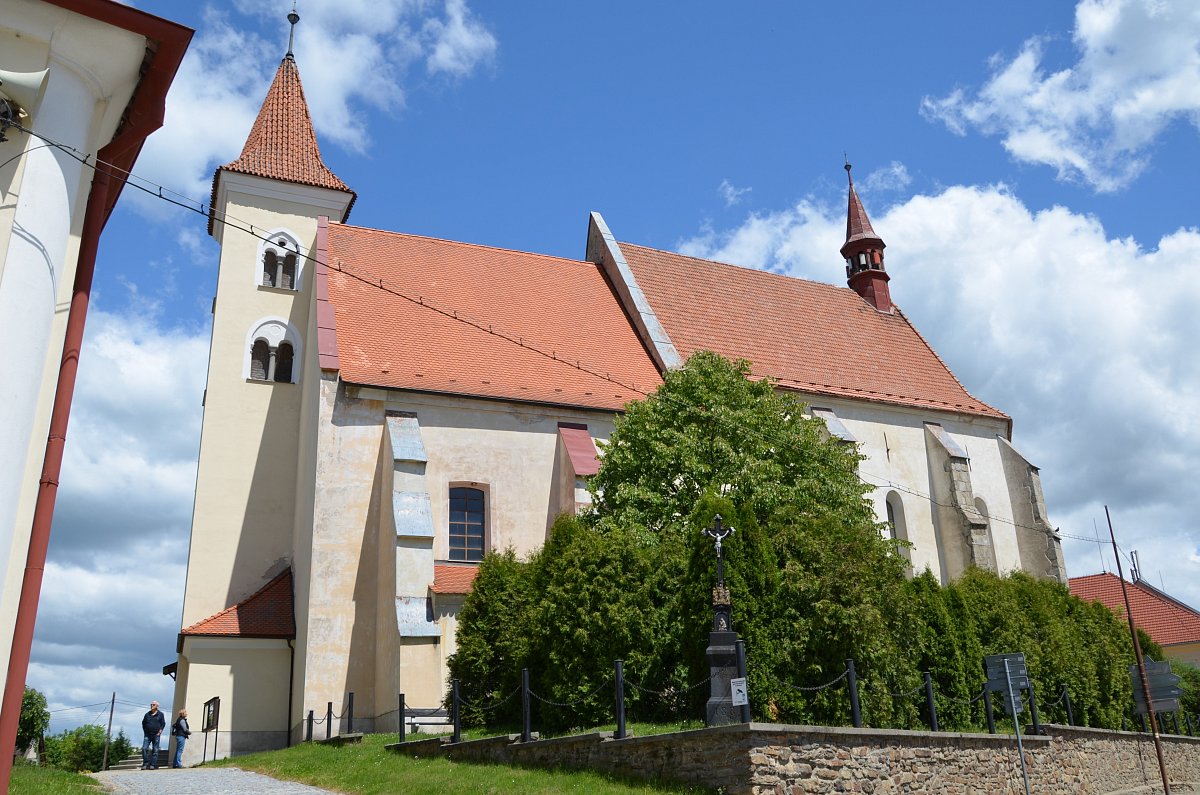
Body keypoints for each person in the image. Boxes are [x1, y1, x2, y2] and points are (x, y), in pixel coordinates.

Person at [141, 700, 165, 769]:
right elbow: (143, 723)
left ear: (157, 706)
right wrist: (145, 731)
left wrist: (159, 732)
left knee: (155, 750)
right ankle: (145, 763)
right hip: (147, 735)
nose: (152, 705)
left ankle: (152, 765)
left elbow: (163, 724)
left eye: (153, 704)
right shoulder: (147, 714)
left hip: (156, 735)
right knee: (144, 748)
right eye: (151, 704)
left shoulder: (160, 714)